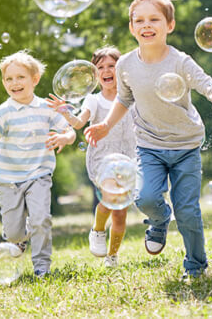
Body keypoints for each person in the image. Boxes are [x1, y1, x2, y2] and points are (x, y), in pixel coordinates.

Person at [85, 0, 212, 280]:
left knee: (188, 211)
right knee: (145, 198)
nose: (147, 25)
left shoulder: (180, 61)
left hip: (185, 146)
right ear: (132, 27)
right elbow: (124, 99)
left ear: (169, 25)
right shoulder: (125, 65)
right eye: (140, 20)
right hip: (149, 146)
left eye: (154, 19)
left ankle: (196, 267)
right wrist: (105, 125)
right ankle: (159, 221)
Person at [0, 50, 75, 277]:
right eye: (9, 79)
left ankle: (42, 266)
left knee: (41, 219)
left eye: (20, 77)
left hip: (39, 175)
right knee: (13, 232)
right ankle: (20, 241)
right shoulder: (3, 113)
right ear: (3, 82)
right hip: (9, 180)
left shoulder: (46, 108)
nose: (14, 83)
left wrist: (65, 137)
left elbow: (69, 131)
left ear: (34, 79)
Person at [46, 46, 136, 268]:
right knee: (109, 198)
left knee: (121, 214)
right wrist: (65, 112)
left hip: (129, 158)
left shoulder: (132, 96)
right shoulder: (93, 101)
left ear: (121, 69)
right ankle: (97, 230)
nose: (106, 71)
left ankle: (112, 256)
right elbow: (78, 123)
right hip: (102, 157)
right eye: (101, 67)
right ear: (95, 75)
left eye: (111, 66)